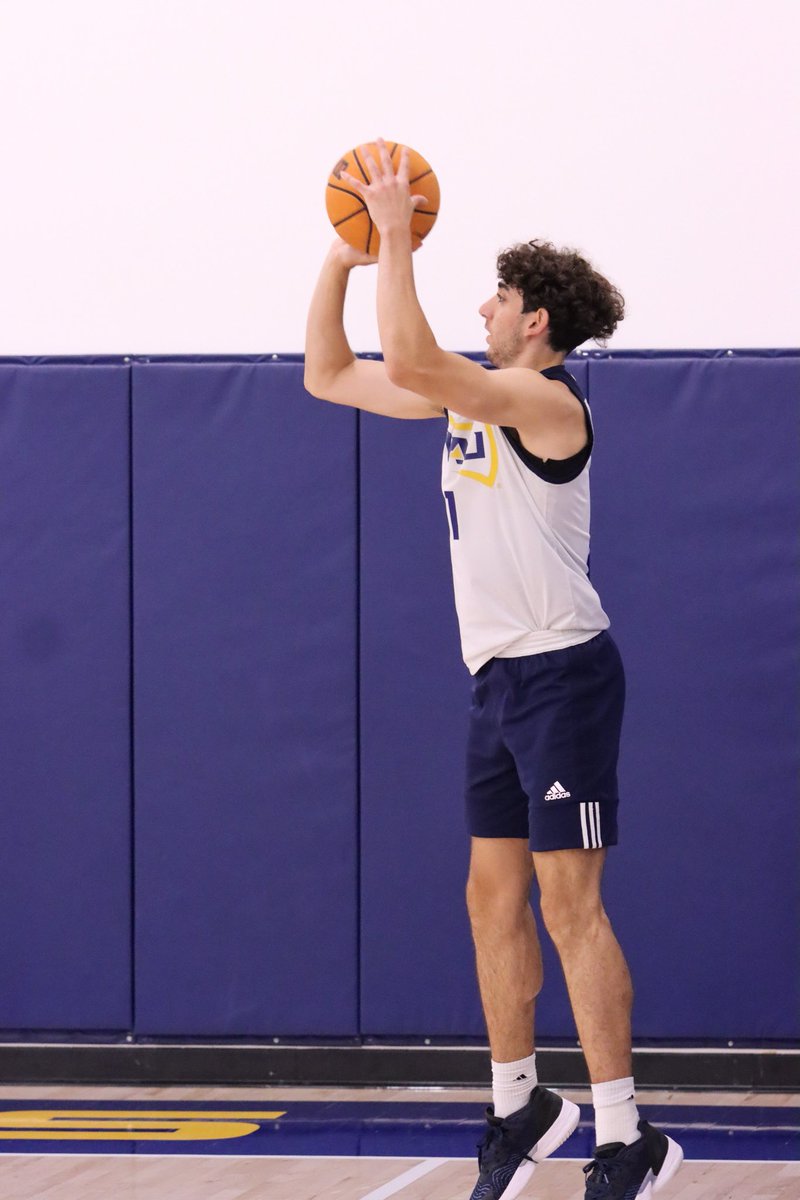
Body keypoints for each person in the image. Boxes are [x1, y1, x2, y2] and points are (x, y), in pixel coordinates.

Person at [304, 140, 683, 1200]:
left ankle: (623, 1139)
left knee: (570, 909)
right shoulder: (469, 399)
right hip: (498, 681)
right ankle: (518, 1105)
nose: (482, 304)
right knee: (488, 902)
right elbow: (326, 374)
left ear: (537, 326)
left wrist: (390, 231)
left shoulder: (548, 406)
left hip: (564, 673)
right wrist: (343, 258)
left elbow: (417, 364)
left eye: (500, 295)